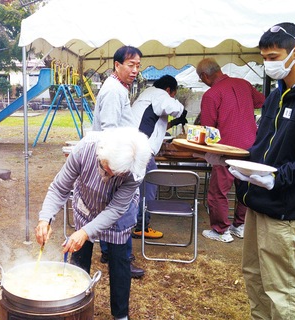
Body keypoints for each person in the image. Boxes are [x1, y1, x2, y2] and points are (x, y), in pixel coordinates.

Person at [227, 22, 295, 319]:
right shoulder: (276, 97)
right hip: (259, 204)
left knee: (284, 290)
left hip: (286, 211)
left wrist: (275, 178)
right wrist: (234, 163)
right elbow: (260, 148)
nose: (268, 64)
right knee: (255, 277)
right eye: (264, 57)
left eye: (274, 57)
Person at [35, 127, 152, 320]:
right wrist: (45, 218)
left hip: (118, 215)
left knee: (119, 261)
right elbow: (59, 188)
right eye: (110, 170)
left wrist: (86, 232)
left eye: (119, 174)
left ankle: (120, 314)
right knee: (79, 257)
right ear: (103, 155)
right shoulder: (85, 149)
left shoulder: (135, 169)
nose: (112, 176)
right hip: (87, 204)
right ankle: (75, 306)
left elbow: (115, 210)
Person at [195, 57, 265, 243]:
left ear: (204, 76)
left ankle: (220, 230)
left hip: (226, 149)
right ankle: (239, 225)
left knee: (219, 191)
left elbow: (208, 129)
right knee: (244, 186)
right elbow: (262, 102)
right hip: (251, 146)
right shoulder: (244, 84)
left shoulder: (211, 95)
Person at [92, 45, 145, 278]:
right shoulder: (114, 90)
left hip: (117, 158)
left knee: (110, 207)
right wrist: (114, 166)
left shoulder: (118, 88)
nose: (135, 70)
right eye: (131, 65)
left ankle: (109, 251)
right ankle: (122, 258)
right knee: (122, 211)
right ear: (117, 65)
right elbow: (110, 130)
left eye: (138, 66)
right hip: (115, 160)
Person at [131, 75, 187, 239]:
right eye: (174, 94)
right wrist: (183, 112)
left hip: (133, 146)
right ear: (169, 90)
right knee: (149, 186)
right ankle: (141, 226)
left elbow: (155, 123)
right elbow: (176, 108)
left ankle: (135, 223)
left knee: (133, 188)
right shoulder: (160, 95)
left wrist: (175, 123)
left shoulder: (147, 96)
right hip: (142, 150)